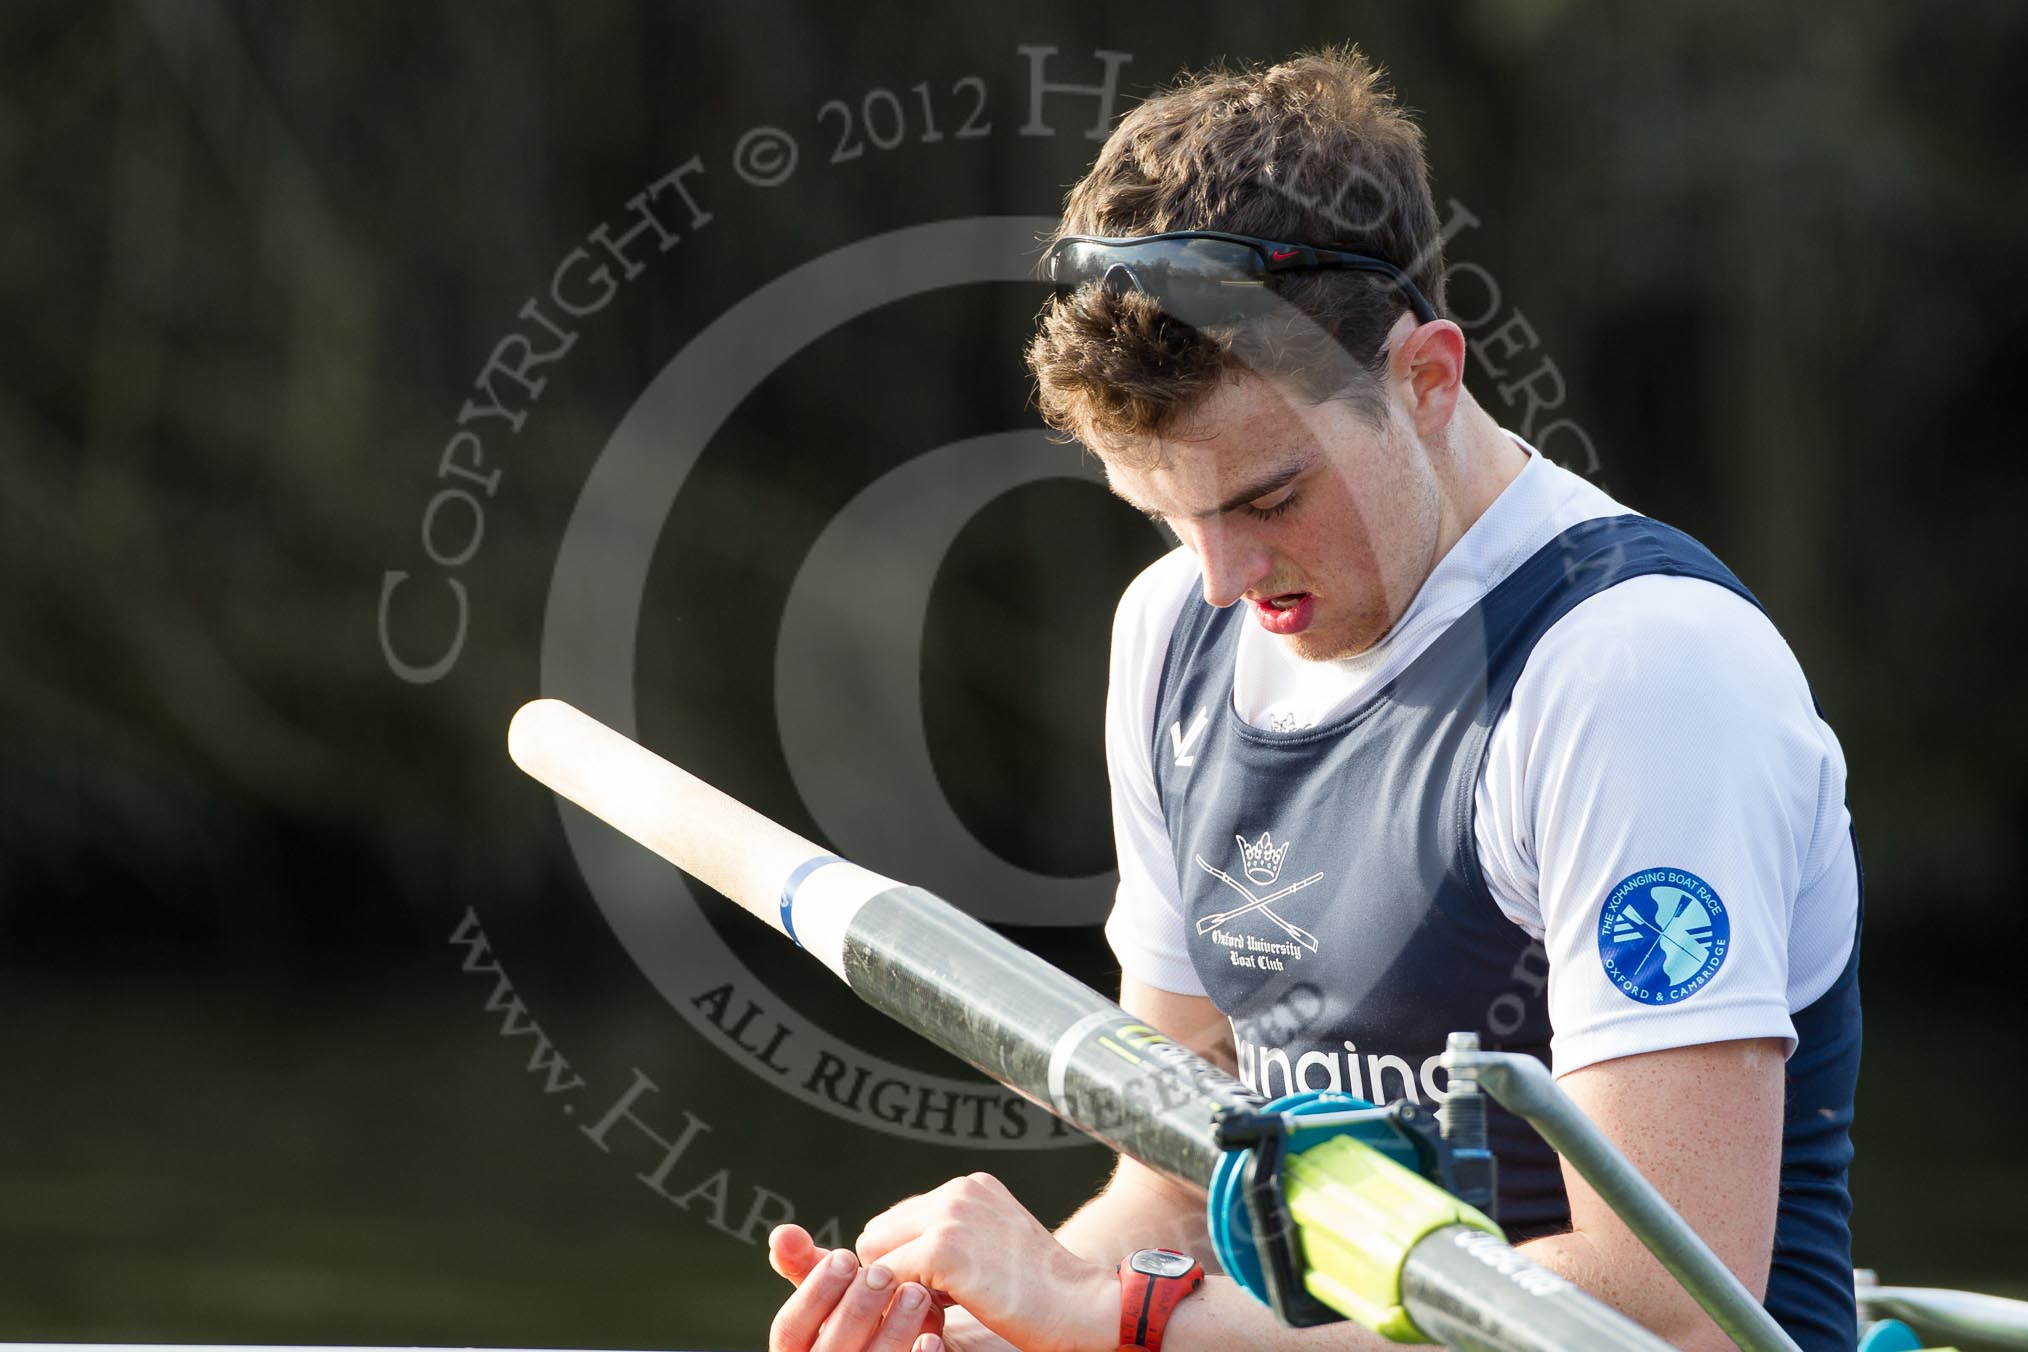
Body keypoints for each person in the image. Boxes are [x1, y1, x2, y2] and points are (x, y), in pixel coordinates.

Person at [765, 46, 1861, 1352]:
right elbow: (1174, 1183)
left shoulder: (1637, 675)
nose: (1223, 582)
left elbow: (1668, 1305)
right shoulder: (1172, 637)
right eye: (1164, 517)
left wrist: (1119, 1326)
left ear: (1429, 378)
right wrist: (996, 1319)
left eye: (1268, 499)